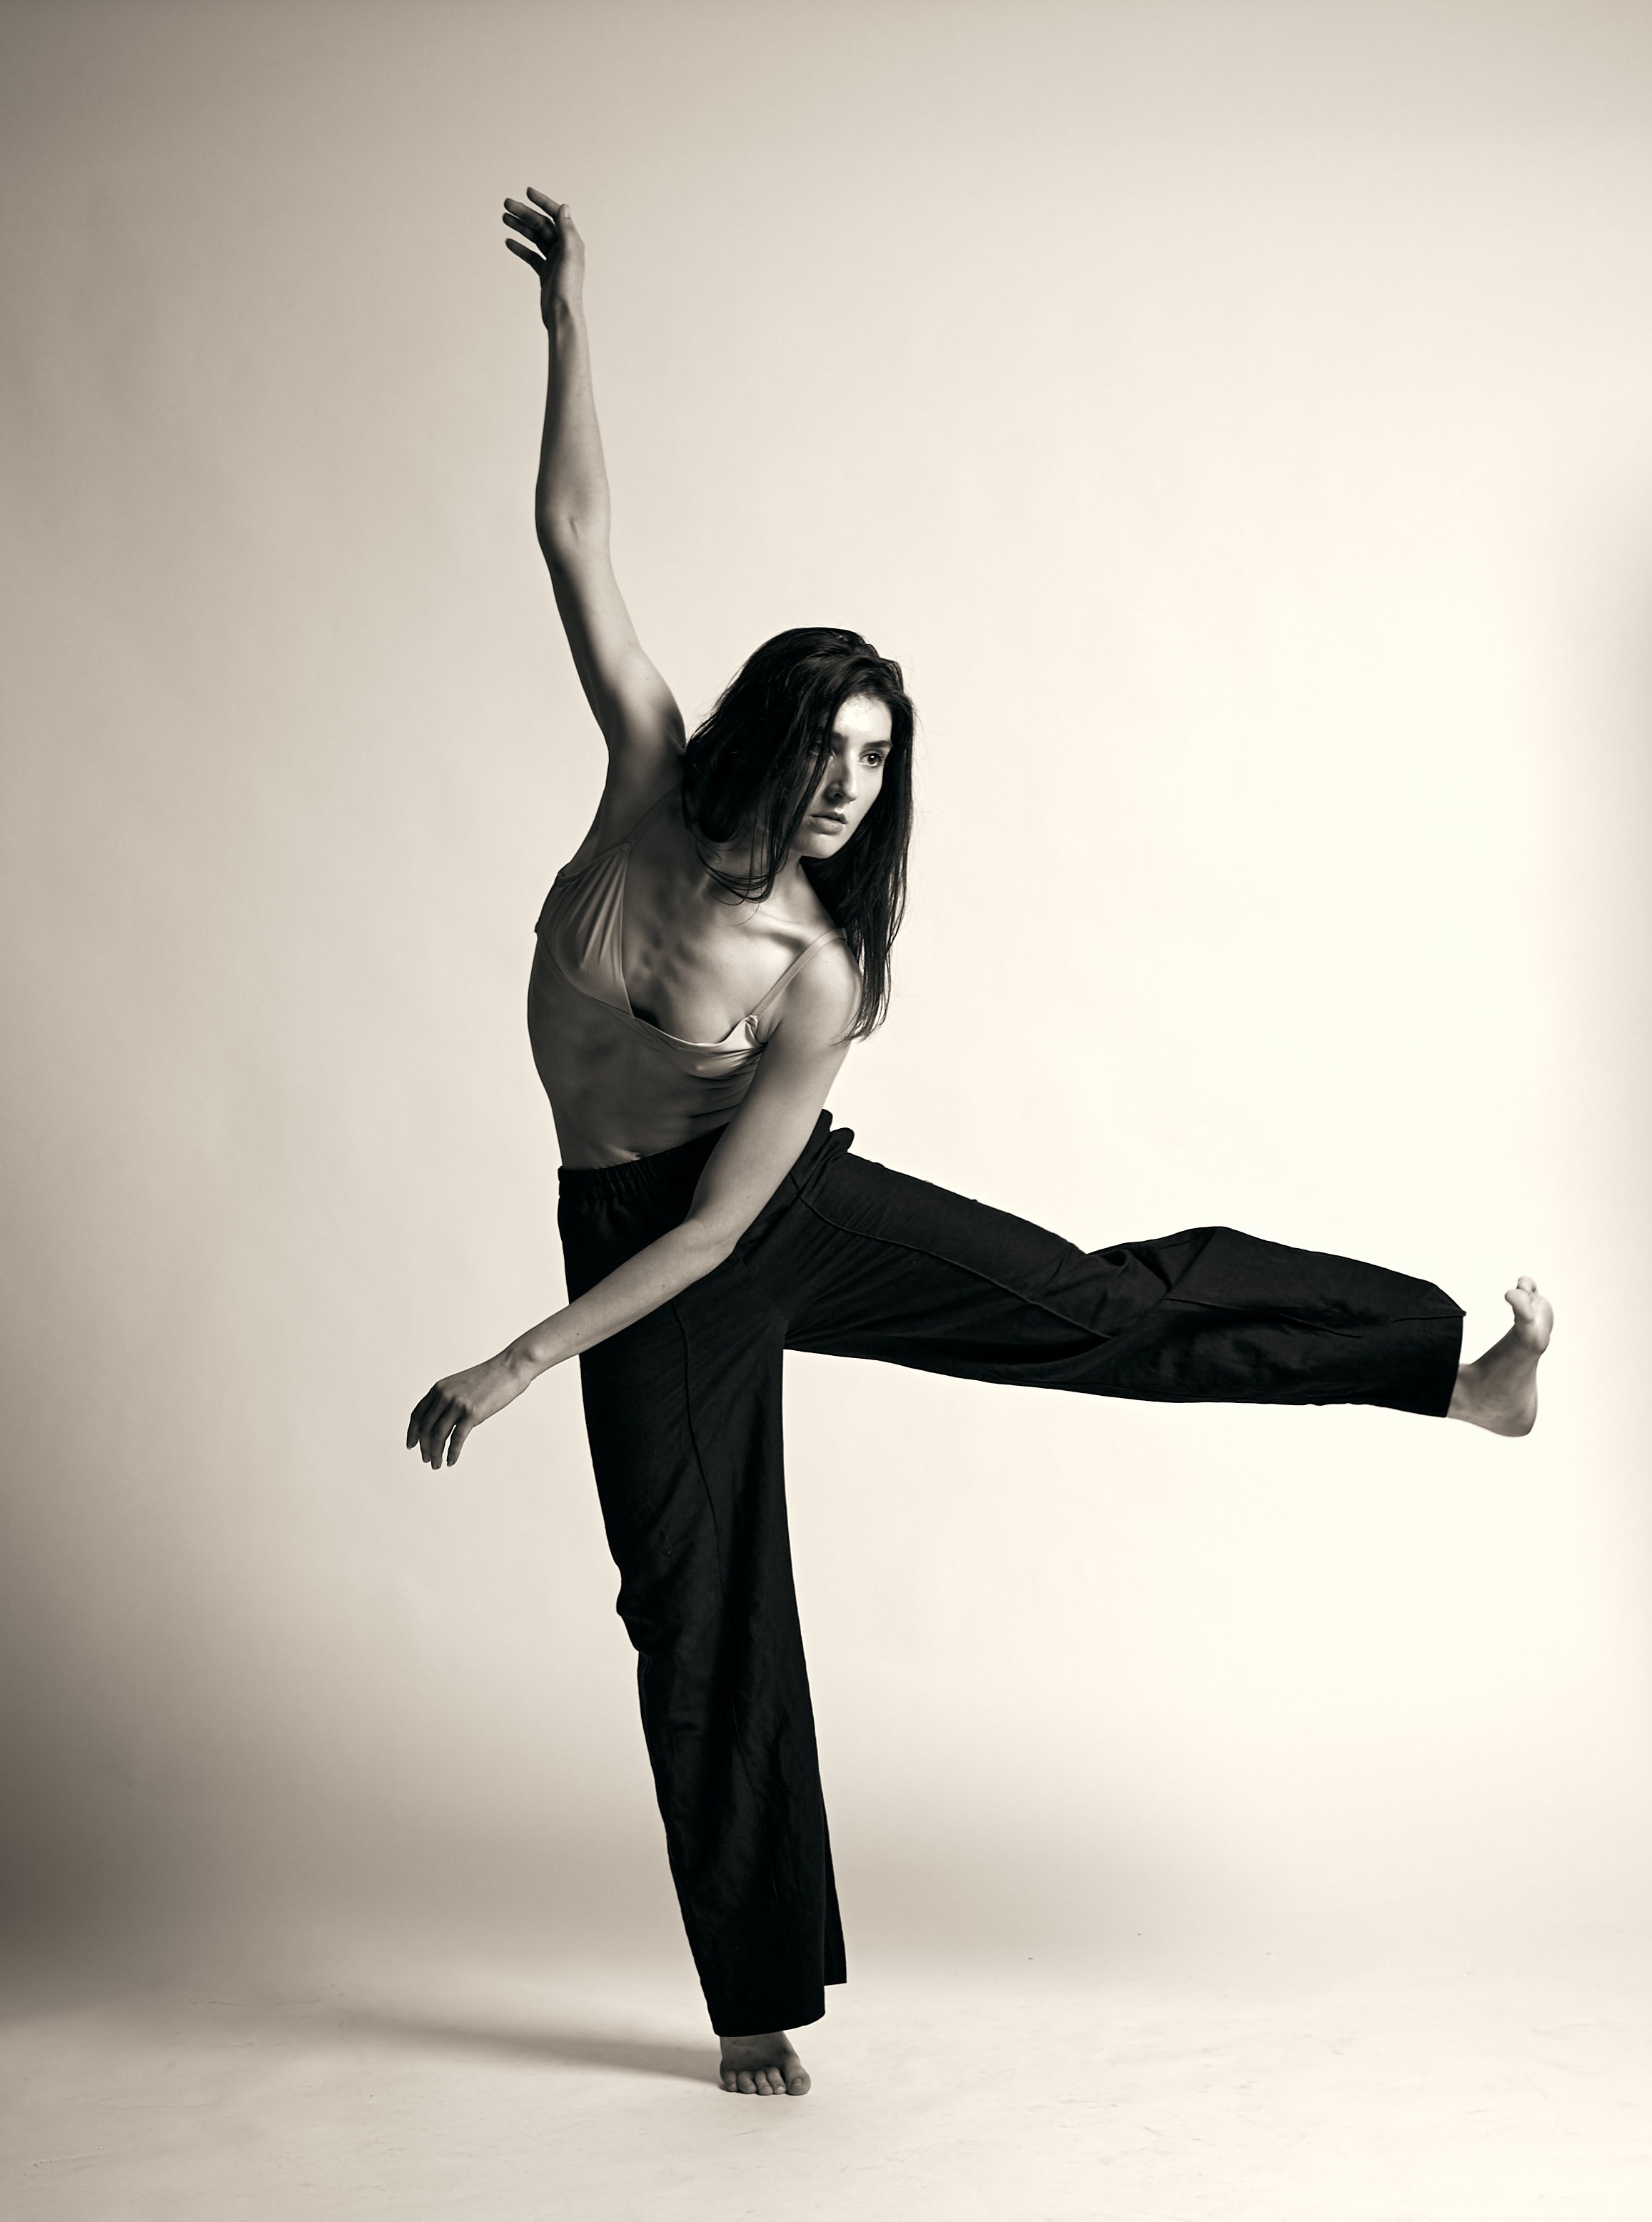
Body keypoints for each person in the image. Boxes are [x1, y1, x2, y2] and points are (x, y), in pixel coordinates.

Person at [406, 188, 1553, 2100]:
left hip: (732, 1225)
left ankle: (1450, 1367)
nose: (858, 792)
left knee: (1102, 1308)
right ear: (775, 735)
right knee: (693, 1604)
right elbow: (574, 536)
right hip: (616, 1217)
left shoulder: (818, 975)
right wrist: (570, 324)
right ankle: (756, 1996)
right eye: (836, 753)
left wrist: (520, 1360)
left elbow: (709, 1240)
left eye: (881, 764)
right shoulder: (643, 777)